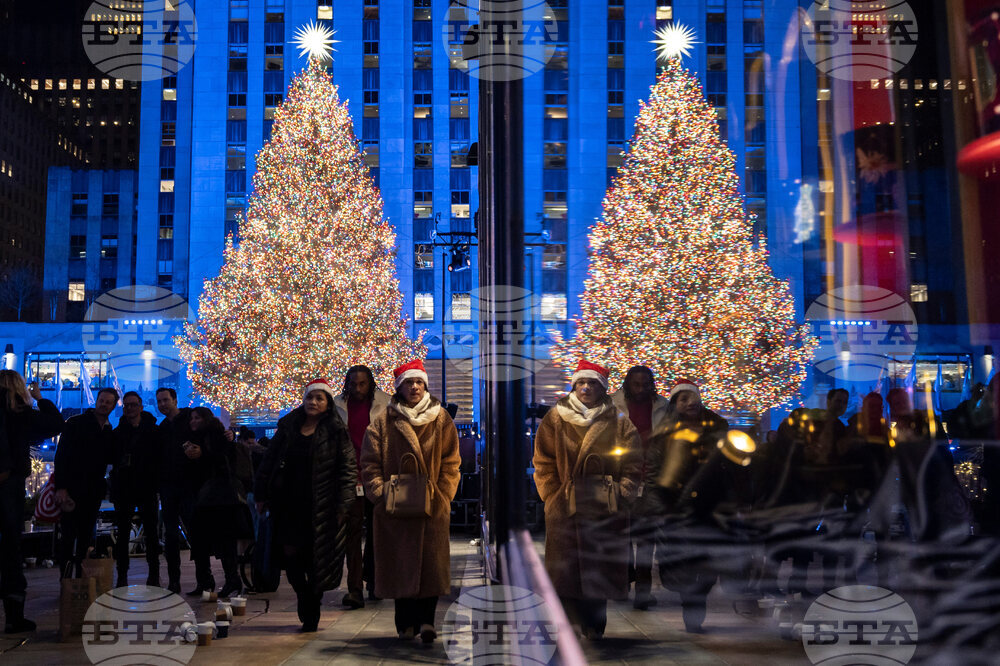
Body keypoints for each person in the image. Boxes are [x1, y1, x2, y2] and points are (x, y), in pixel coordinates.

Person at [533, 360, 640, 640]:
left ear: (602, 388)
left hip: (604, 506)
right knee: (566, 572)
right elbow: (543, 461)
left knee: (598, 571)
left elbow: (633, 462)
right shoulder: (556, 418)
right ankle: (571, 625)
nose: (586, 388)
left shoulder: (617, 420)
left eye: (592, 383)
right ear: (574, 385)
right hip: (566, 506)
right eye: (582, 383)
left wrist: (622, 490)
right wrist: (553, 494)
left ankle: (594, 626)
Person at [360, 360, 461, 643]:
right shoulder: (383, 421)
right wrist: (380, 493)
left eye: (418, 382)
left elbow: (452, 461)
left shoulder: (441, 419)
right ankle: (405, 624)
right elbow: (369, 462)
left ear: (425, 385)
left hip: (431, 505)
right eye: (408, 382)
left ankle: (427, 621)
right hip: (396, 506)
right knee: (399, 565)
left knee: (430, 565)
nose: (414, 387)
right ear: (399, 387)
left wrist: (443, 495)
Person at [255, 379, 356, 631]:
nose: (313, 402)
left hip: (321, 506)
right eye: (310, 398)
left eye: (319, 399)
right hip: (288, 505)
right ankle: (304, 595)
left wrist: (344, 505)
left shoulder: (335, 430)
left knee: (316, 559)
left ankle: (313, 599)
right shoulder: (288, 427)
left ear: (328, 403)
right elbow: (268, 462)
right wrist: (260, 493)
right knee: (291, 559)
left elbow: (347, 469)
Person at [646, 378, 728, 633]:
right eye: (683, 399)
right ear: (675, 404)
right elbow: (654, 470)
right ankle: (689, 604)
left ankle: (695, 603)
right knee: (679, 562)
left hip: (708, 507)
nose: (690, 403)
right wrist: (658, 503)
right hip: (675, 507)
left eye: (692, 398)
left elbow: (730, 467)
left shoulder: (717, 427)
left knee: (706, 562)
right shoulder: (664, 432)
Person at [0, 371, 63, 633]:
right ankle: (14, 616)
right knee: (10, 549)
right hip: (9, 483)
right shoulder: (21, 413)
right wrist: (40, 398)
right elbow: (55, 423)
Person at [610, 365, 669, 610]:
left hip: (651, 478)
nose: (642, 388)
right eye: (636, 383)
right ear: (627, 383)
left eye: (646, 383)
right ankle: (623, 583)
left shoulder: (662, 407)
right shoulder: (613, 405)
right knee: (623, 536)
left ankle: (643, 592)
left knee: (646, 539)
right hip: (622, 475)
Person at [333, 365, 390, 609]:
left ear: (370, 383)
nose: (357, 389)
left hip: (378, 475)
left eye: (362, 384)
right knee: (352, 534)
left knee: (379, 532)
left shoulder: (385, 404)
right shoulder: (337, 406)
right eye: (353, 384)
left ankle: (375, 580)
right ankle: (354, 588)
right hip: (349, 478)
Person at [52, 388, 118, 577]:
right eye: (102, 400)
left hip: (93, 490)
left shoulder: (108, 429)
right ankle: (65, 580)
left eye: (108, 402)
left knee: (85, 536)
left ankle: (79, 580)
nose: (104, 404)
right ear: (96, 401)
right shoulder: (76, 423)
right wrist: (61, 487)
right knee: (68, 536)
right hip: (73, 488)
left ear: (113, 406)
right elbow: (61, 456)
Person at [187, 407, 248, 599]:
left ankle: (227, 580)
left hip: (217, 498)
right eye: (192, 418)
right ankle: (215, 581)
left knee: (221, 539)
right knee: (206, 539)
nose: (193, 421)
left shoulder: (215, 436)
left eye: (197, 418)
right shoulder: (199, 437)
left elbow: (221, 462)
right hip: (208, 497)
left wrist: (201, 455)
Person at [110, 391, 161, 587]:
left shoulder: (153, 432)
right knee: (123, 534)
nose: (130, 408)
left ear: (140, 407)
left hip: (146, 487)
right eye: (127, 405)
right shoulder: (118, 433)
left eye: (133, 405)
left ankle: (154, 573)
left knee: (151, 532)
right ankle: (122, 574)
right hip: (125, 488)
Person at [156, 387, 195, 594]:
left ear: (175, 400)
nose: (162, 404)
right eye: (159, 401)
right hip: (169, 486)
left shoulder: (190, 420)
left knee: (195, 531)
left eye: (165, 400)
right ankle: (174, 580)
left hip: (188, 485)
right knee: (170, 534)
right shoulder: (162, 428)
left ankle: (203, 579)